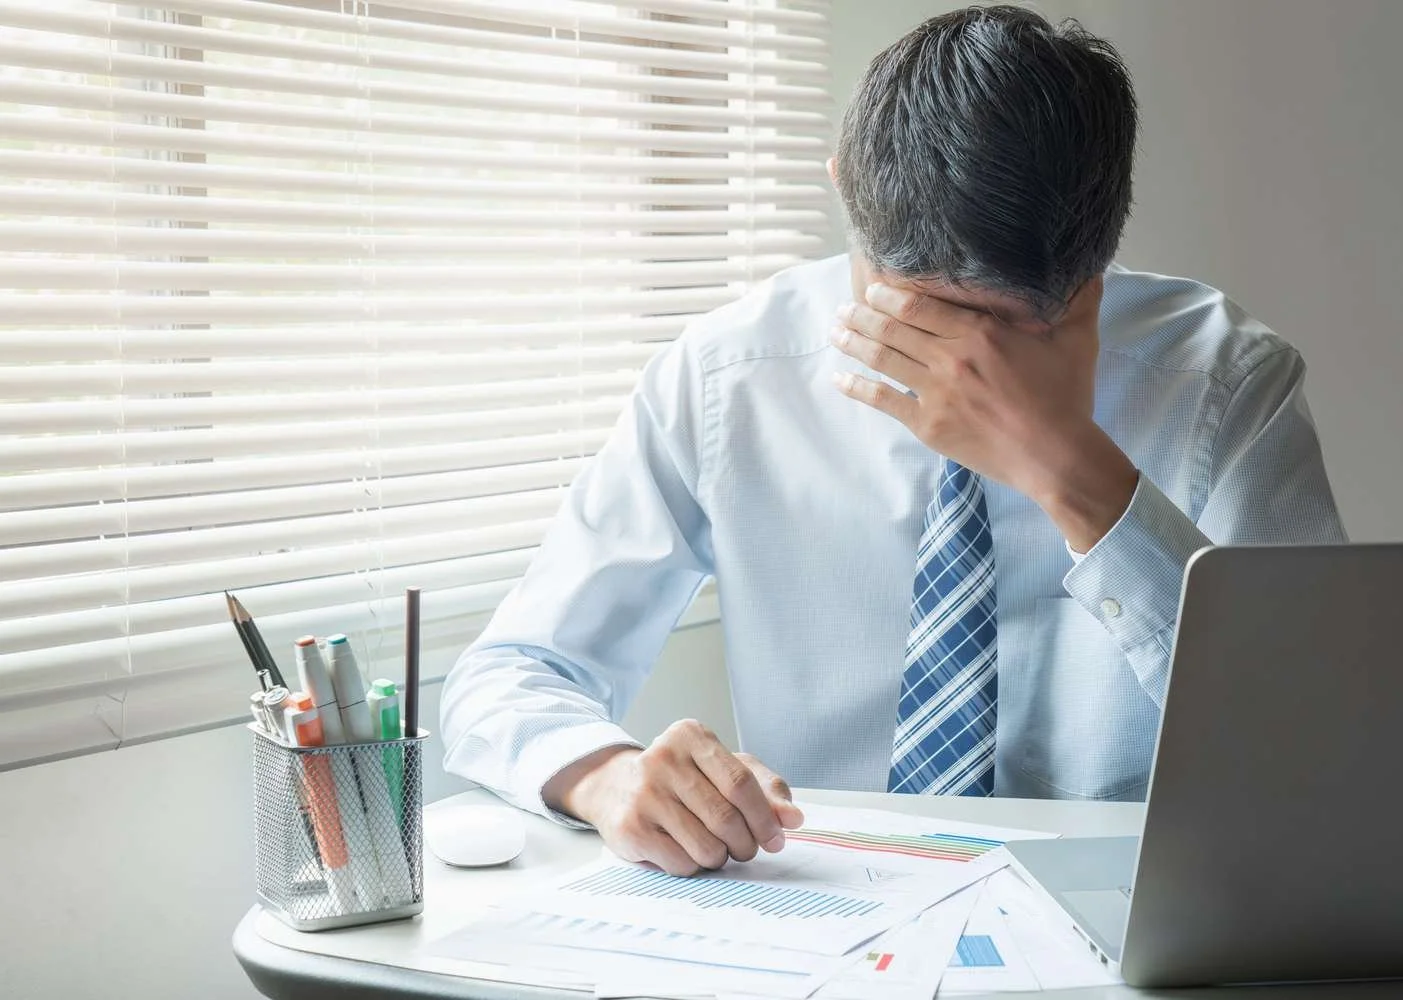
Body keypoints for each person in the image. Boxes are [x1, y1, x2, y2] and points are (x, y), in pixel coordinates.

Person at [440, 5, 1345, 877]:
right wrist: (606, 775)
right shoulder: (726, 378)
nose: (959, 364)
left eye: (1004, 327)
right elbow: (512, 672)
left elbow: (1329, 740)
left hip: (1130, 920)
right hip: (831, 919)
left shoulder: (1222, 381)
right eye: (916, 309)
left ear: (1096, 263)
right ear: (844, 187)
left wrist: (1073, 473)